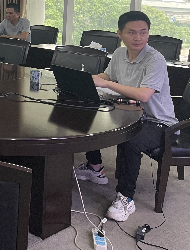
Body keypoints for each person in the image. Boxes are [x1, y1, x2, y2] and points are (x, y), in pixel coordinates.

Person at [74, 11, 178, 222]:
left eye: (143, 32)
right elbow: (108, 76)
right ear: (120, 34)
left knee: (130, 139)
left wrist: (106, 84)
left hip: (158, 122)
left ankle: (126, 198)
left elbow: (144, 95)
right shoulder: (120, 53)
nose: (138, 37)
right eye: (131, 32)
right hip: (128, 111)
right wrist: (90, 79)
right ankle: (95, 168)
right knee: (90, 115)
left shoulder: (155, 59)